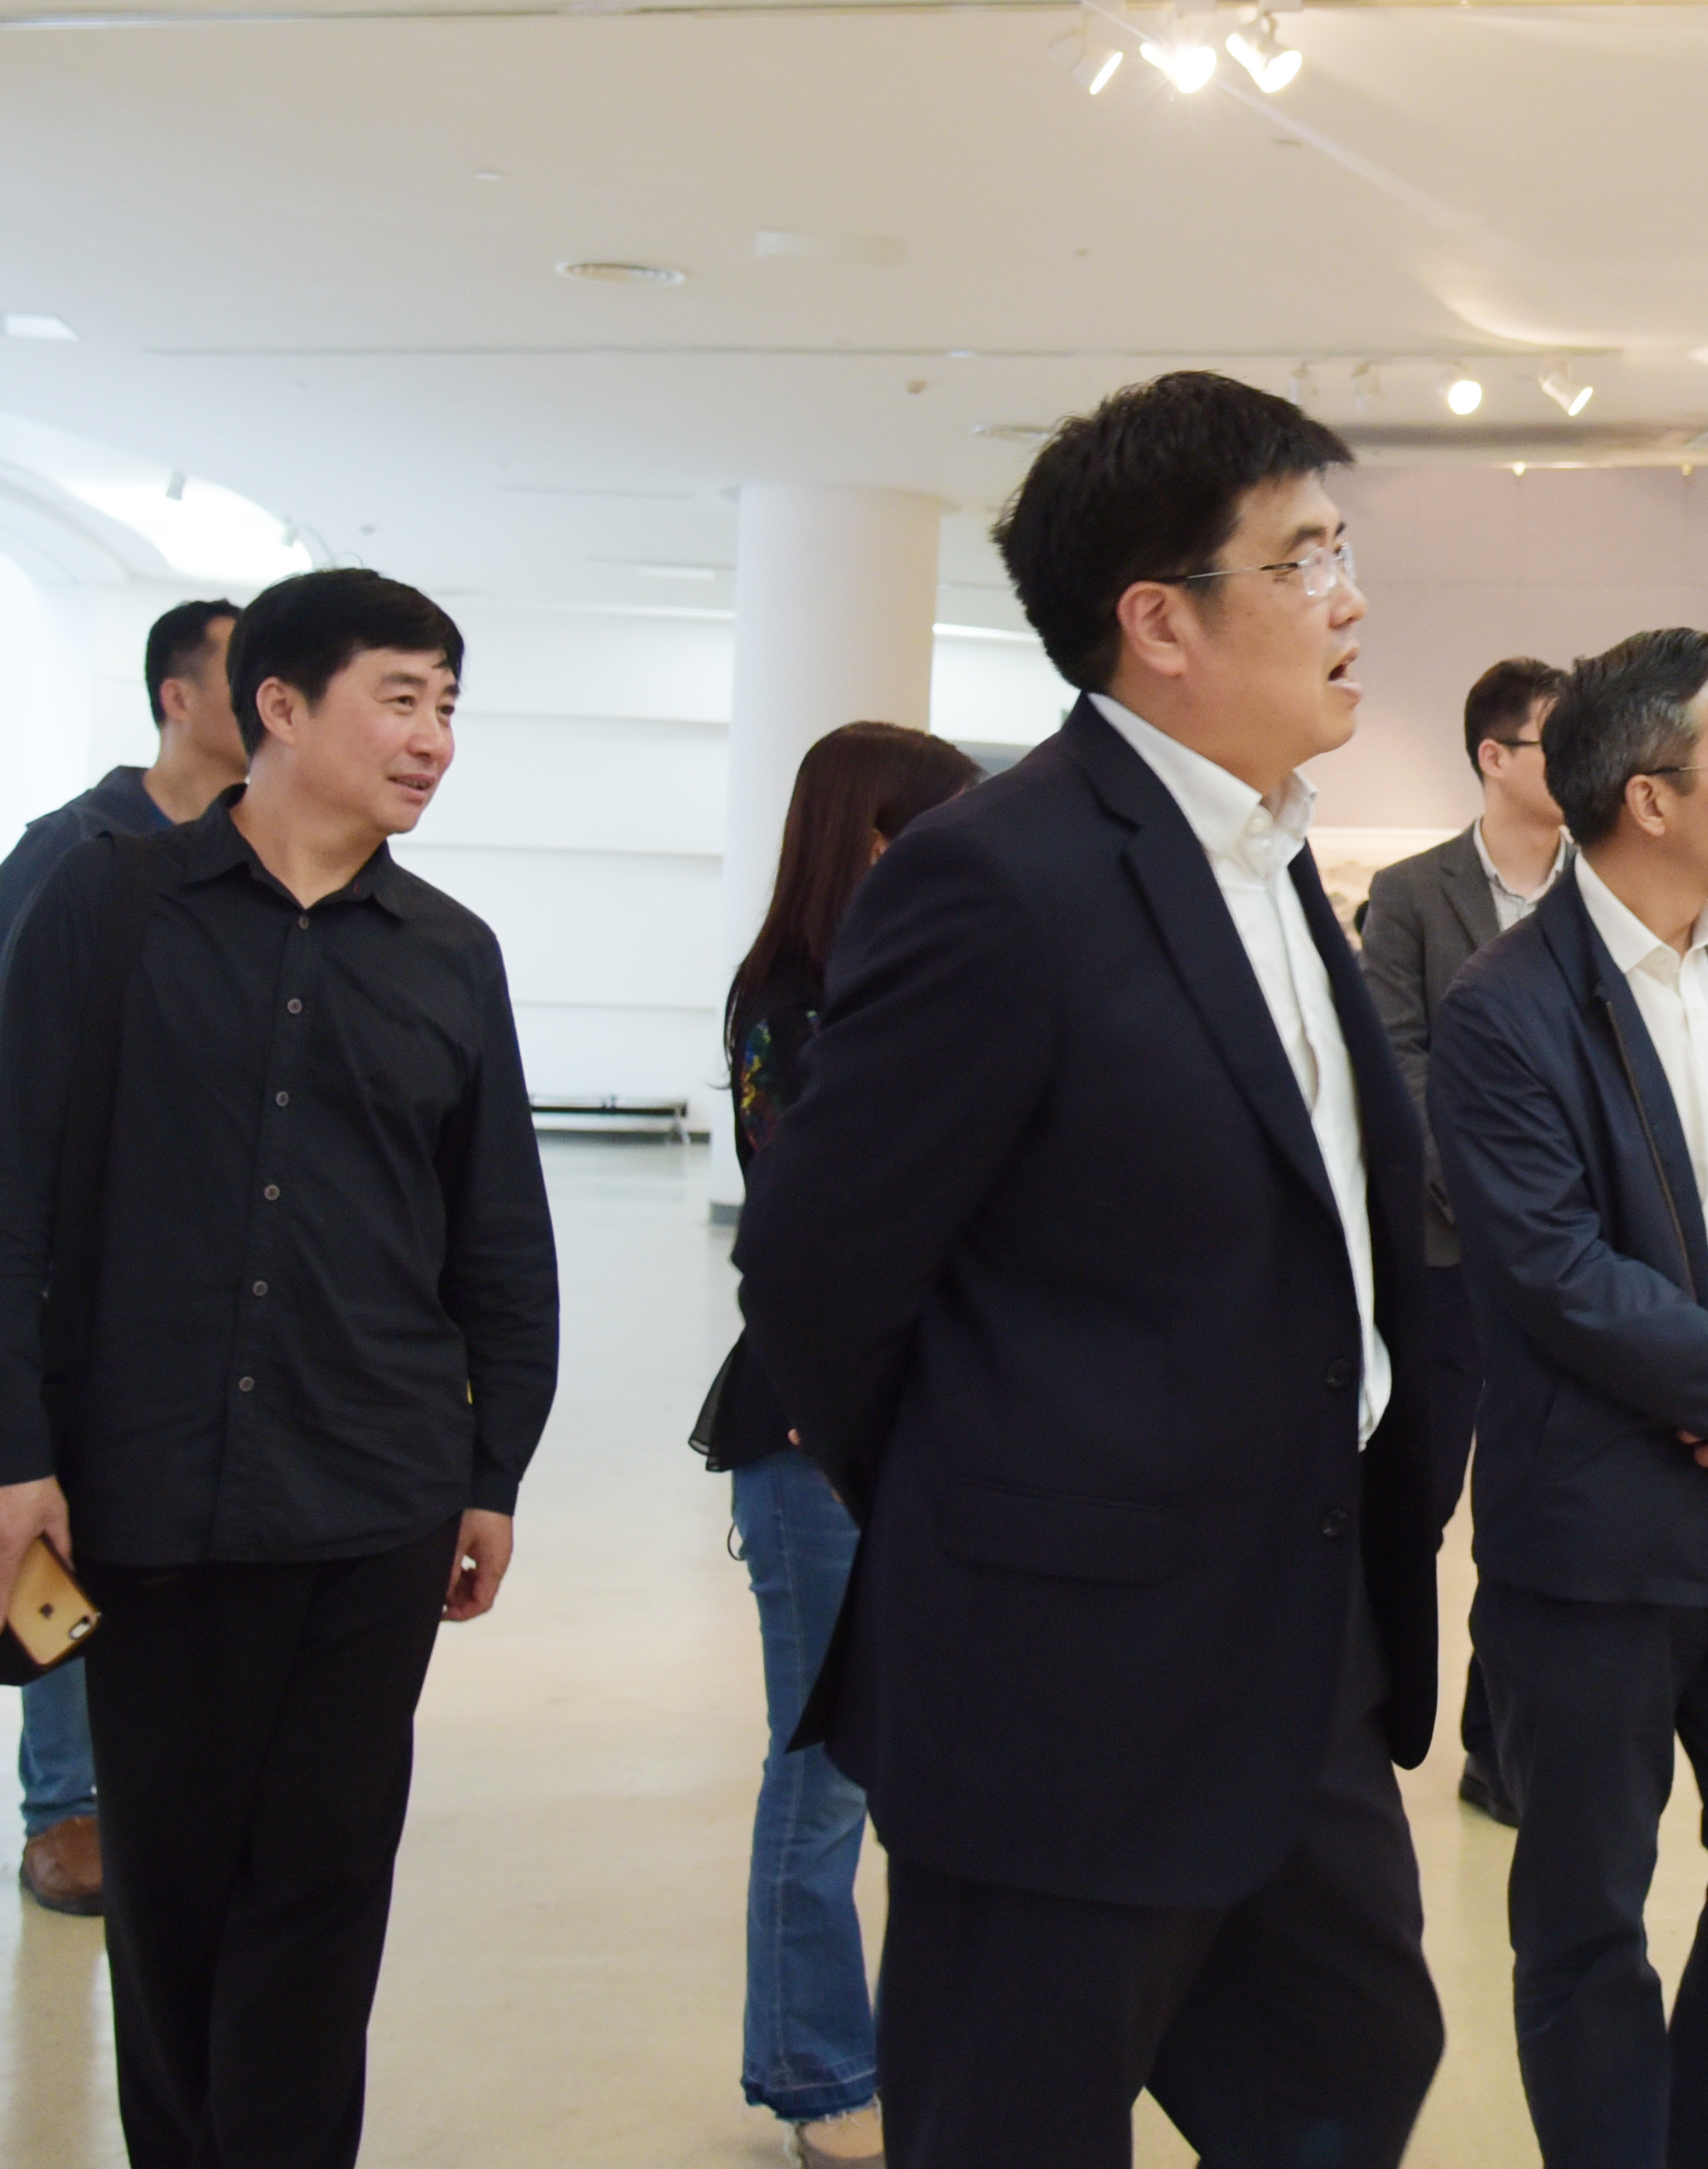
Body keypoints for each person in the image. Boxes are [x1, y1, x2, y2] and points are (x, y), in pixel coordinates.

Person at [735, 371, 1445, 2169]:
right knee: (1016, 2124)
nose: (1351, 599)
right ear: (1160, 622)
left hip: (1302, 1649)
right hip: (1062, 1681)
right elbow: (820, 1269)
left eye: (1342, 551)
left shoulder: (1272, 859)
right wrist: (1009, 1506)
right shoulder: (999, 876)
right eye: (1304, 559)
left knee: (1349, 2078)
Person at [0, 567, 560, 2169]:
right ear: (281, 707)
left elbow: (498, 1237)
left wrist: (493, 1472)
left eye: (449, 706)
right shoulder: (107, 906)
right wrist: (15, 1448)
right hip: (152, 1492)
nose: (435, 738)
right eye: (402, 698)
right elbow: (11, 1191)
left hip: (376, 1500)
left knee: (322, 1898)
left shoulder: (450, 952)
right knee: (172, 1902)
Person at [1432, 628, 1708, 2169]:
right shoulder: (1504, 1010)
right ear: (1649, 797)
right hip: (1594, 1548)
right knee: (1584, 1917)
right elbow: (1554, 1272)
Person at [714, 723, 983, 2169]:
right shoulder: (792, 1001)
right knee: (822, 1773)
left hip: (944, 1424)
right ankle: (819, 2074)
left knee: (944, 1764)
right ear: (872, 840)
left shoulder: (921, 984)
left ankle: (921, 2053)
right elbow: (821, 1227)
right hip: (816, 1429)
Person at [0, 595, 247, 1917]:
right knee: (57, 1534)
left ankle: (153, 1790)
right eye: (240, 674)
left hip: (198, 1274)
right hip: (69, 1273)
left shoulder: (260, 859)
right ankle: (65, 1805)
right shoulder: (76, 852)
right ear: (177, 696)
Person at [1359, 653, 1568, 1829]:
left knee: (1536, 1519)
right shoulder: (1412, 894)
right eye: (1554, 740)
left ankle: (1501, 1749)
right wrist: (1485, 1200)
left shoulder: (1602, 890)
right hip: (1447, 1257)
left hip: (1570, 1268)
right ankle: (1370, 1731)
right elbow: (1398, 1059)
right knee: (1421, 1500)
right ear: (1495, 756)